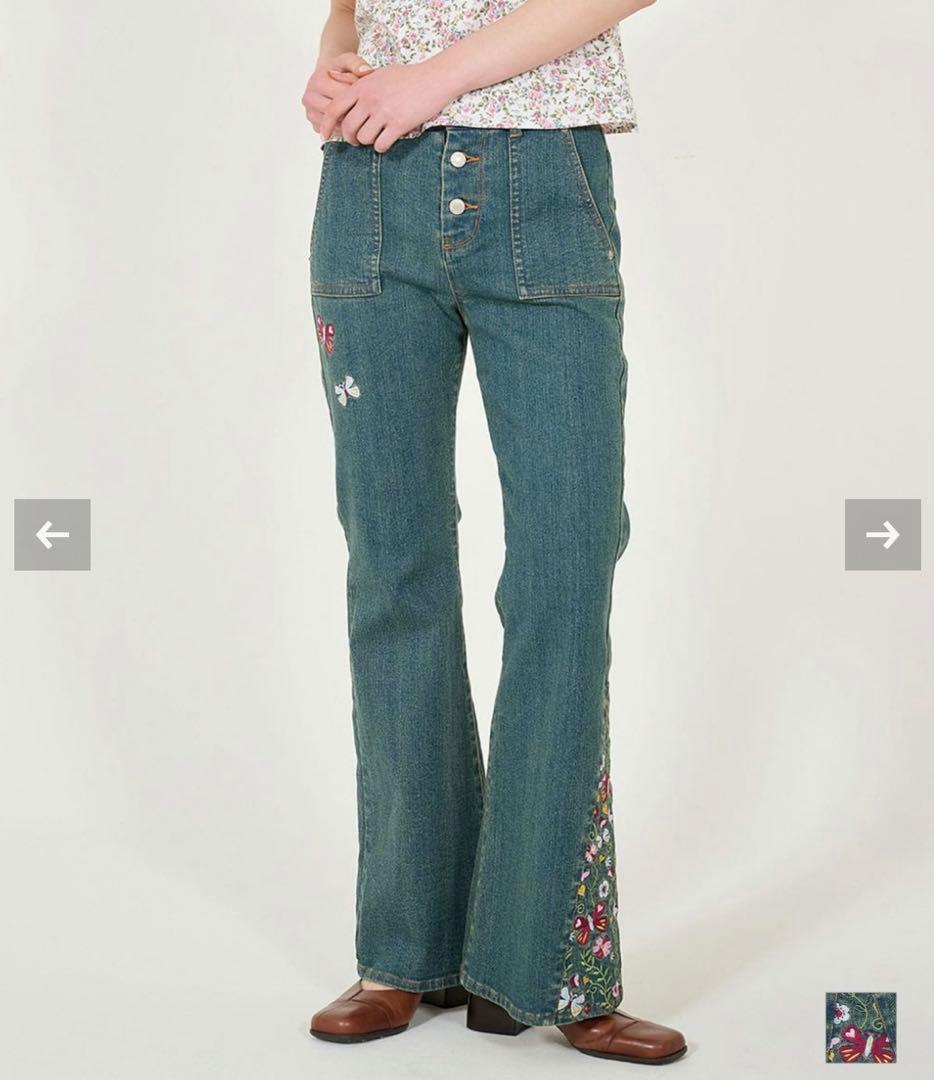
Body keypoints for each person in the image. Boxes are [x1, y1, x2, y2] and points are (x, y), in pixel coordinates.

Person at [301, 0, 687, 1065]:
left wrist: (436, 78)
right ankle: (406, 952)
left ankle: (552, 965)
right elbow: (351, 8)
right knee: (396, 572)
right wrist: (335, 66)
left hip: (542, 185)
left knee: (565, 572)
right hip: (368, 190)